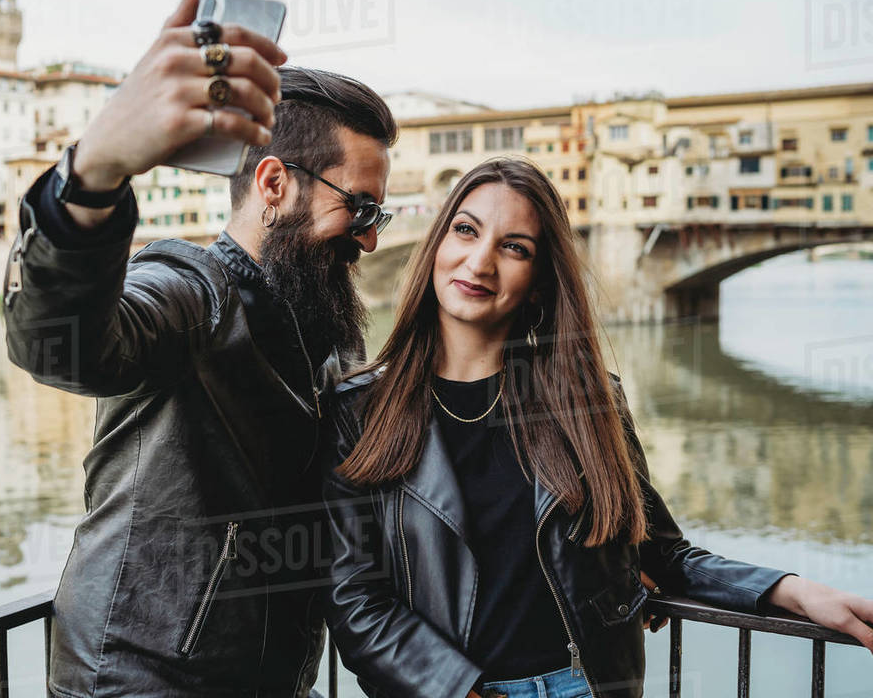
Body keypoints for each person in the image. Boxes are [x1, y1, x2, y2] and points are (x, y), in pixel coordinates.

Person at [321, 156, 873, 698]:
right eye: (466, 231)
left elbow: (661, 552)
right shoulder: (359, 410)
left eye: (515, 247)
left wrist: (792, 591)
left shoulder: (587, 399)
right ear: (438, 245)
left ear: (538, 283)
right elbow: (356, 601)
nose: (480, 262)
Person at [2, 0, 397, 698]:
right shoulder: (191, 290)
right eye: (360, 208)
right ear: (275, 183)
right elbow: (58, 349)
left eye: (379, 214)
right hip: (139, 685)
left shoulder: (324, 337)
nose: (370, 237)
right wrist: (93, 172)